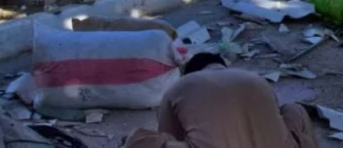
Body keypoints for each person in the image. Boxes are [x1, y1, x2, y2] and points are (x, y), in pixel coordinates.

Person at [124, 52, 318, 148]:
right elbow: (275, 119)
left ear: (191, 73)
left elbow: (168, 135)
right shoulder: (256, 79)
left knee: (139, 139)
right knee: (294, 110)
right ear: (222, 67)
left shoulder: (180, 87)